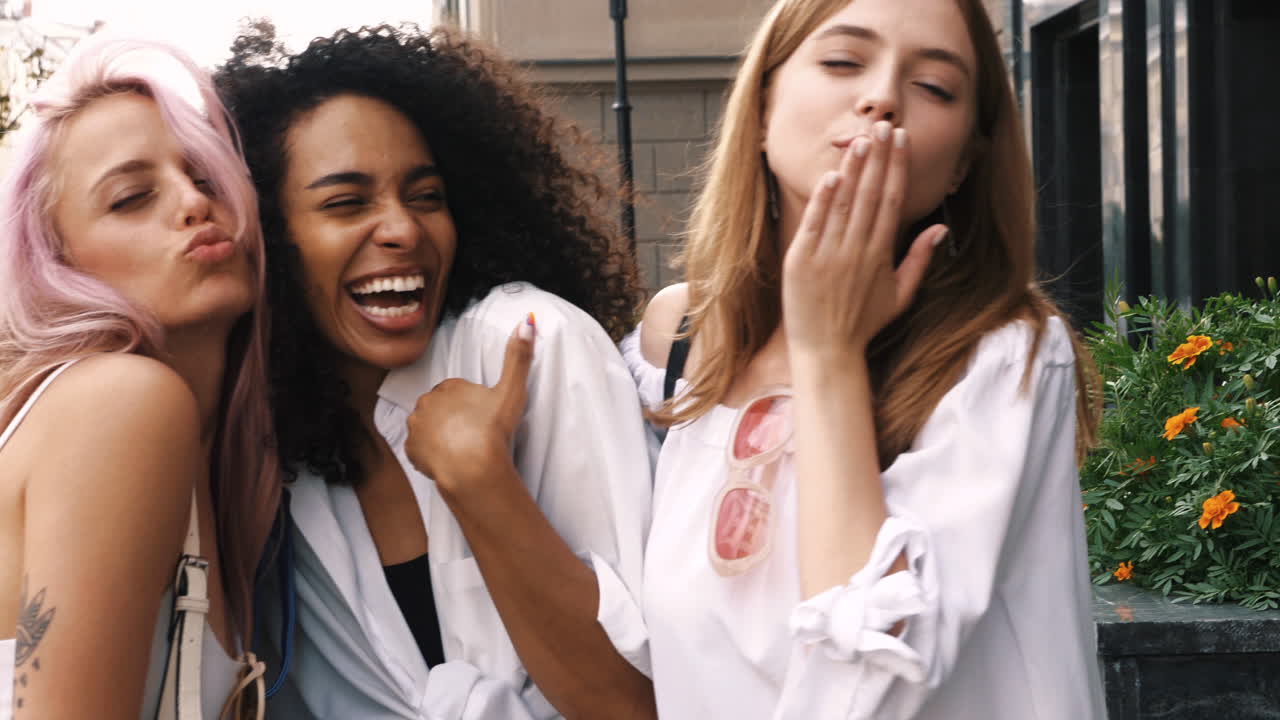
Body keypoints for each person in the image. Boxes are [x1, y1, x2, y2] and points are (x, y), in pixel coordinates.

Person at [621, 0, 1108, 717]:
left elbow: (875, 682)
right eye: (843, 61)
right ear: (762, 108)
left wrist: (828, 354)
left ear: (963, 162)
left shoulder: (1004, 355)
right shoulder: (680, 340)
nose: (881, 98)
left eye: (934, 87)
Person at [216, 24, 656, 720]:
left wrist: (481, 483)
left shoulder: (526, 345)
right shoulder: (270, 438)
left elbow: (636, 705)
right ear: (268, 236)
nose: (404, 229)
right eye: (347, 203)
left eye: (426, 196)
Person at [0, 34, 279, 719]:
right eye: (130, 197)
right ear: (58, 262)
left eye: (207, 177)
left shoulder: (222, 467)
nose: (193, 203)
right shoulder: (120, 403)